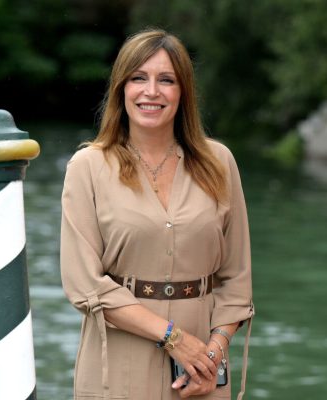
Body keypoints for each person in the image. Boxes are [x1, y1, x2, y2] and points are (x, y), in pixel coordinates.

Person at [60, 29, 254, 400]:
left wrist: (210, 353)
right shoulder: (88, 166)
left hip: (201, 370)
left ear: (183, 93)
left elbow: (237, 279)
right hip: (117, 361)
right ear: (121, 88)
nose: (152, 91)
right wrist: (174, 339)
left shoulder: (220, 163)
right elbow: (85, 284)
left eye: (166, 80)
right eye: (139, 78)